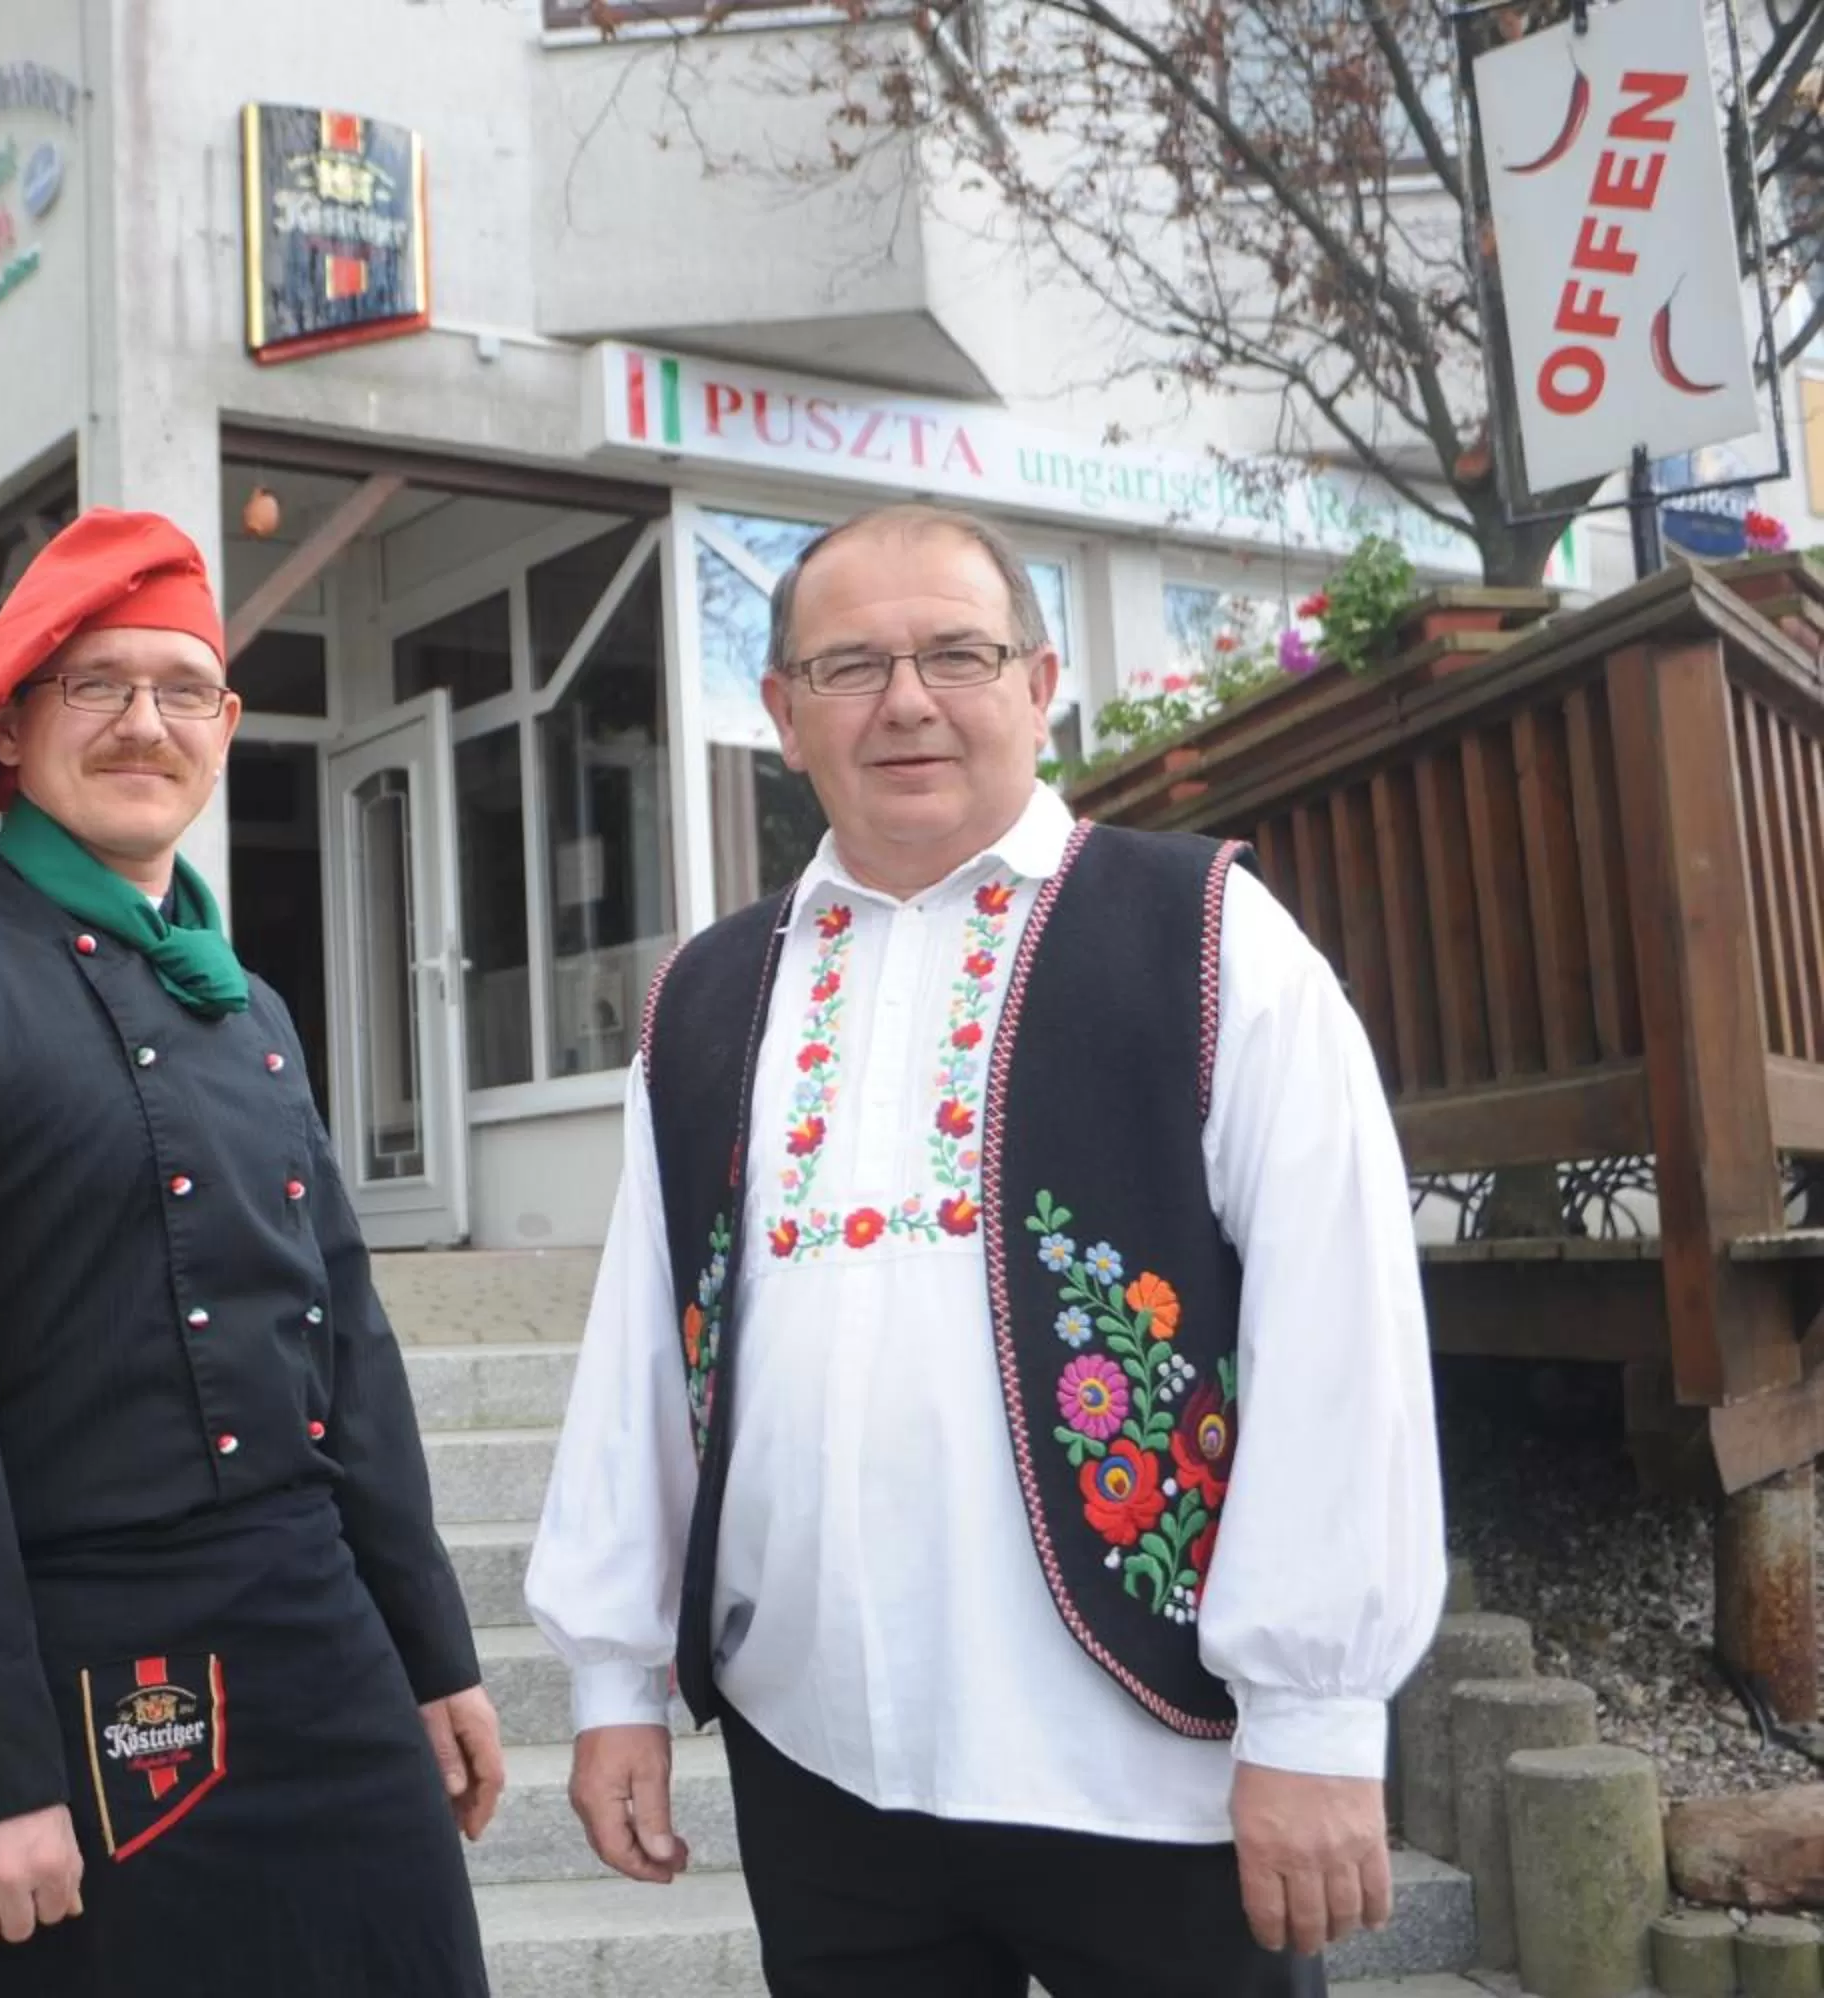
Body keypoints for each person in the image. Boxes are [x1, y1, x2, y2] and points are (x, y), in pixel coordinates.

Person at [523, 502, 1445, 1998]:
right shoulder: (704, 996)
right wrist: (614, 1679)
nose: (906, 699)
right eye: (849, 665)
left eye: (957, 651)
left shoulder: (1209, 935)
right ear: (781, 714)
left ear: (1041, 679)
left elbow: (1339, 1334)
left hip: (1155, 1765)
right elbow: (646, 1353)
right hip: (821, 1770)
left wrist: (1320, 1715)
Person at [0, 508, 503, 1998]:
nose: (142, 723)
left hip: (324, 1640)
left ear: (228, 727)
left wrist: (432, 1648)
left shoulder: (255, 1007)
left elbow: (346, 1343)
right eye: (97, 684)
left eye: (180, 688)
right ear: (19, 715)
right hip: (94, 1671)